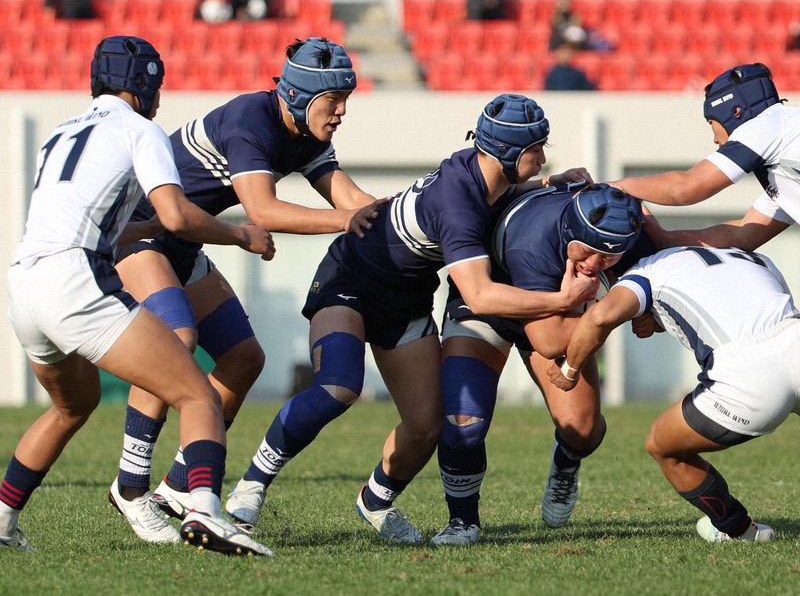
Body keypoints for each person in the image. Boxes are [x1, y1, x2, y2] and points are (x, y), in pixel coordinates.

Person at [223, 93, 600, 543]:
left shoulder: (478, 170)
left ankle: (376, 500)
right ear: (506, 152)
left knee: (426, 426)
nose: (542, 157)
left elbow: (499, 194)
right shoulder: (458, 207)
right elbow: (480, 296)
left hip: (406, 298)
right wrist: (562, 298)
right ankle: (252, 484)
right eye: (535, 149)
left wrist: (545, 183)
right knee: (338, 387)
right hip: (353, 278)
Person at [0, 35, 274, 556]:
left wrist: (143, 227)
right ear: (145, 87)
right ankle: (204, 512)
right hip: (75, 282)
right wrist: (241, 234)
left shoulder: (60, 132)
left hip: (24, 285)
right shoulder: (140, 129)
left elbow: (89, 222)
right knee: (196, 395)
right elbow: (176, 215)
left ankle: (2, 521)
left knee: (71, 407)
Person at [108, 37, 385, 544]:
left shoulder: (306, 134)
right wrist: (346, 221)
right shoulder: (249, 119)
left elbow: (351, 198)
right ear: (298, 96)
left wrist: (407, 217)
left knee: (243, 359)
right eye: (334, 99)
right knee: (176, 338)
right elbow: (263, 210)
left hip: (183, 244)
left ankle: (175, 487)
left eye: (346, 98)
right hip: (138, 234)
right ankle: (130, 483)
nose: (342, 111)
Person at [431, 183, 647, 546]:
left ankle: (565, 464)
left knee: (582, 429)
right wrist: (613, 310)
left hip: (561, 309)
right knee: (463, 419)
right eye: (588, 250)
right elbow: (548, 340)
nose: (594, 264)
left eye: (608, 258)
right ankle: (462, 520)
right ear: (570, 228)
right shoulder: (534, 240)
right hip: (494, 305)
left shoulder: (626, 232)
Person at [547, 245, 794, 542]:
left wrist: (570, 369)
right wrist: (660, 317)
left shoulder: (646, 271)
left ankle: (740, 530)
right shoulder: (749, 256)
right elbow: (739, 304)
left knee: (663, 446)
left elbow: (600, 317)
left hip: (749, 376)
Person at [612, 63, 796, 254]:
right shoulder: (784, 159)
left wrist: (618, 186)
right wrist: (663, 239)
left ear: (736, 112)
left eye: (711, 122)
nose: (715, 139)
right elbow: (743, 235)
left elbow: (686, 188)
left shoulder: (766, 125)